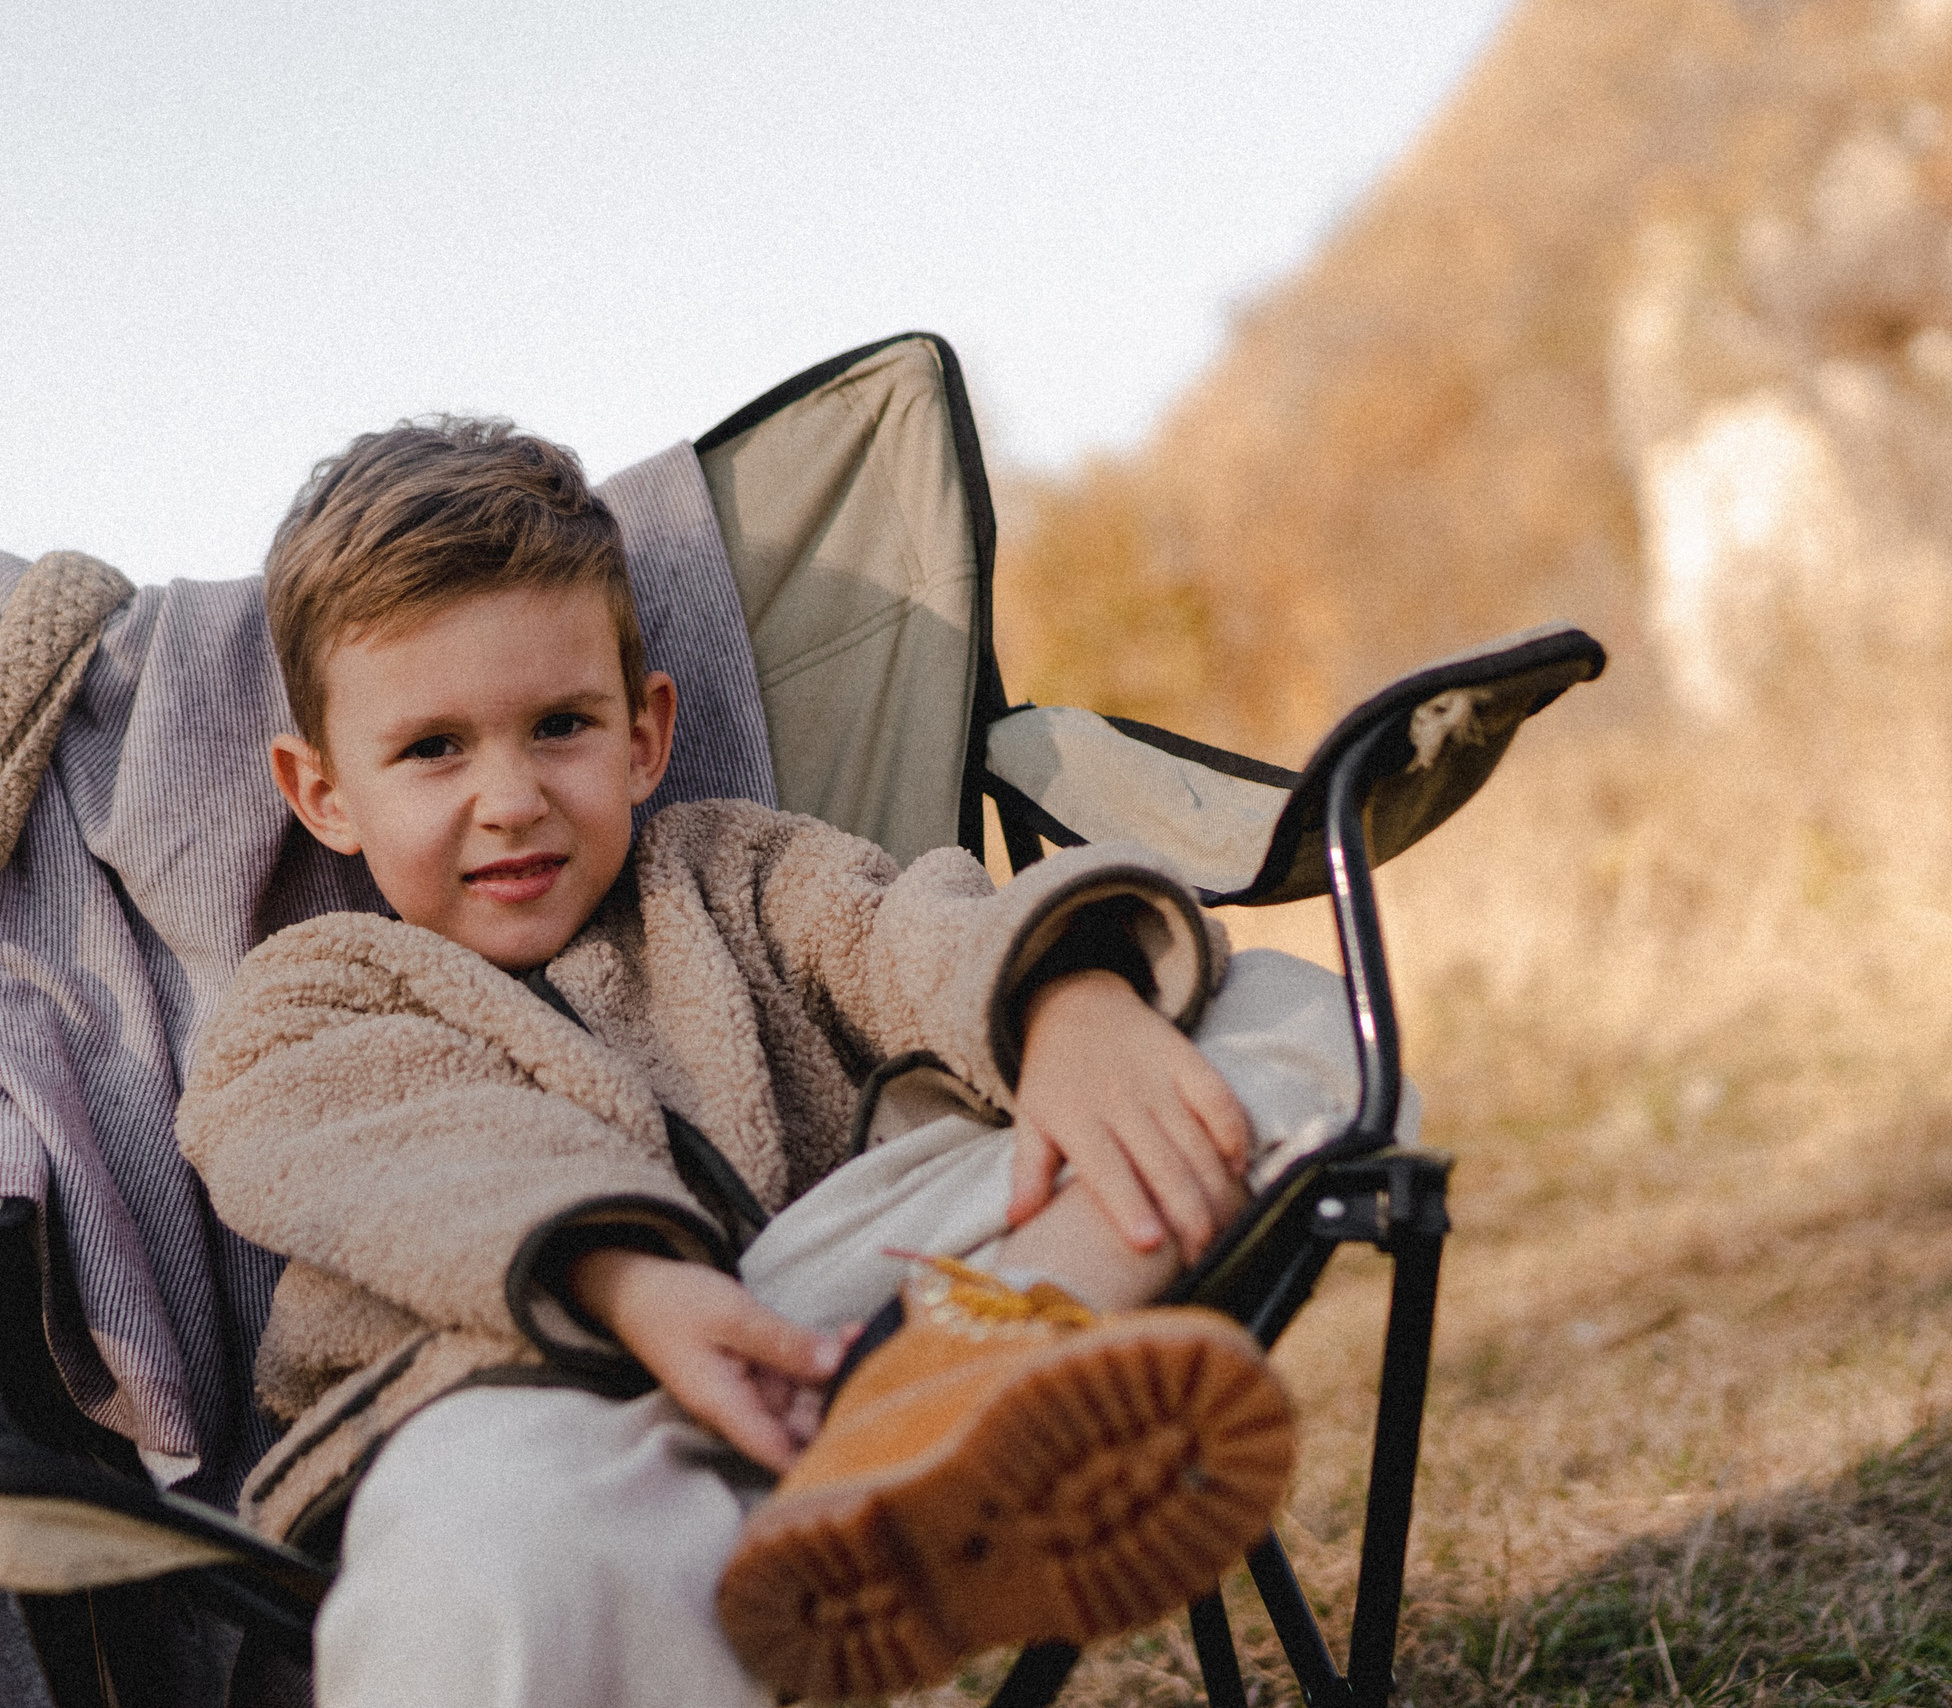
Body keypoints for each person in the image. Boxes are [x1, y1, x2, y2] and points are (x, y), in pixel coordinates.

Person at [175, 417, 1405, 1706]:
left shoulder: (733, 872)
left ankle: (962, 1391)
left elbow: (903, 927)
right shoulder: (308, 999)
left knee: (1272, 1010)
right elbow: (408, 1165)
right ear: (319, 793)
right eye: (433, 749)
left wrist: (1065, 1004)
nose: (512, 796)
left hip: (843, 1328)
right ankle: (877, 1464)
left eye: (559, 727)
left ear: (645, 734)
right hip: (532, 1392)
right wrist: (627, 1283)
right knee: (494, 1539)